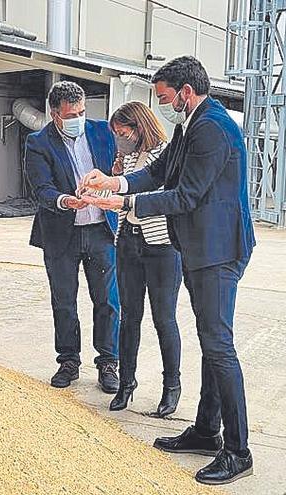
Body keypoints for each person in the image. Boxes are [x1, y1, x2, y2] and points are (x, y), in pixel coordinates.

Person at [79, 56, 256, 485]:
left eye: (163, 97)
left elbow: (185, 195)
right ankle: (206, 431)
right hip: (199, 249)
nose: (161, 105)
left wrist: (123, 205)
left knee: (219, 347)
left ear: (185, 91)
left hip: (217, 251)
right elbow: (159, 172)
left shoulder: (212, 128)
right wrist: (114, 183)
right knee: (213, 342)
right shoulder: (191, 124)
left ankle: (238, 450)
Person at [24, 80, 120, 394]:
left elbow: (118, 170)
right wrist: (65, 201)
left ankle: (108, 362)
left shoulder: (102, 131)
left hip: (101, 230)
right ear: (55, 115)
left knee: (107, 301)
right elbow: (42, 189)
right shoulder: (38, 143)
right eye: (70, 114)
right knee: (64, 301)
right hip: (60, 233)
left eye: (81, 111)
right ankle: (68, 361)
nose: (78, 118)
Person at [107, 101, 183, 419]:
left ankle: (171, 387)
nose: (120, 140)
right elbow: (126, 198)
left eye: (123, 133)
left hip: (162, 245)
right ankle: (127, 383)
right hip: (128, 241)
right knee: (129, 318)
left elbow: (165, 198)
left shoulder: (165, 154)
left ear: (138, 127)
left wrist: (123, 199)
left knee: (164, 319)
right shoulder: (125, 159)